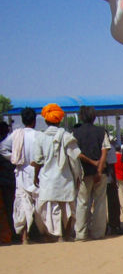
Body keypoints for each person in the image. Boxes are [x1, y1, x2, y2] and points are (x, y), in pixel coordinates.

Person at [32, 103, 83, 241]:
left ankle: (56, 235)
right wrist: (77, 176)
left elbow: (37, 160)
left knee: (50, 209)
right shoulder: (66, 136)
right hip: (65, 178)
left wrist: (35, 176)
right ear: (59, 120)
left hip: (47, 179)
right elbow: (75, 158)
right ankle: (66, 235)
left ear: (45, 120)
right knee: (67, 208)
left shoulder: (40, 138)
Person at [73, 105, 111, 241]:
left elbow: (77, 154)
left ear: (81, 117)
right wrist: (99, 170)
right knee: (100, 202)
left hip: (84, 173)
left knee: (82, 202)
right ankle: (98, 233)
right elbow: (104, 152)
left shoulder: (75, 133)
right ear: (94, 117)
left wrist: (91, 163)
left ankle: (81, 233)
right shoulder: (102, 132)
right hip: (101, 173)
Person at [10, 107, 47, 243]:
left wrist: (14, 158)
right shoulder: (39, 135)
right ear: (34, 120)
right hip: (37, 173)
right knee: (40, 206)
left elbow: (3, 147)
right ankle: (44, 234)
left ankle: (25, 237)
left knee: (23, 206)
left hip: (21, 173)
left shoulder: (16, 135)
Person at [0, 121, 18, 243]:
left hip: (5, 182)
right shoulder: (10, 145)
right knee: (12, 208)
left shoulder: (5, 146)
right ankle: (14, 233)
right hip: (10, 181)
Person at [105, 137, 123, 235]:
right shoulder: (110, 148)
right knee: (113, 203)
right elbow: (111, 165)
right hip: (108, 178)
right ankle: (114, 226)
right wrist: (113, 180)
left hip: (93, 177)